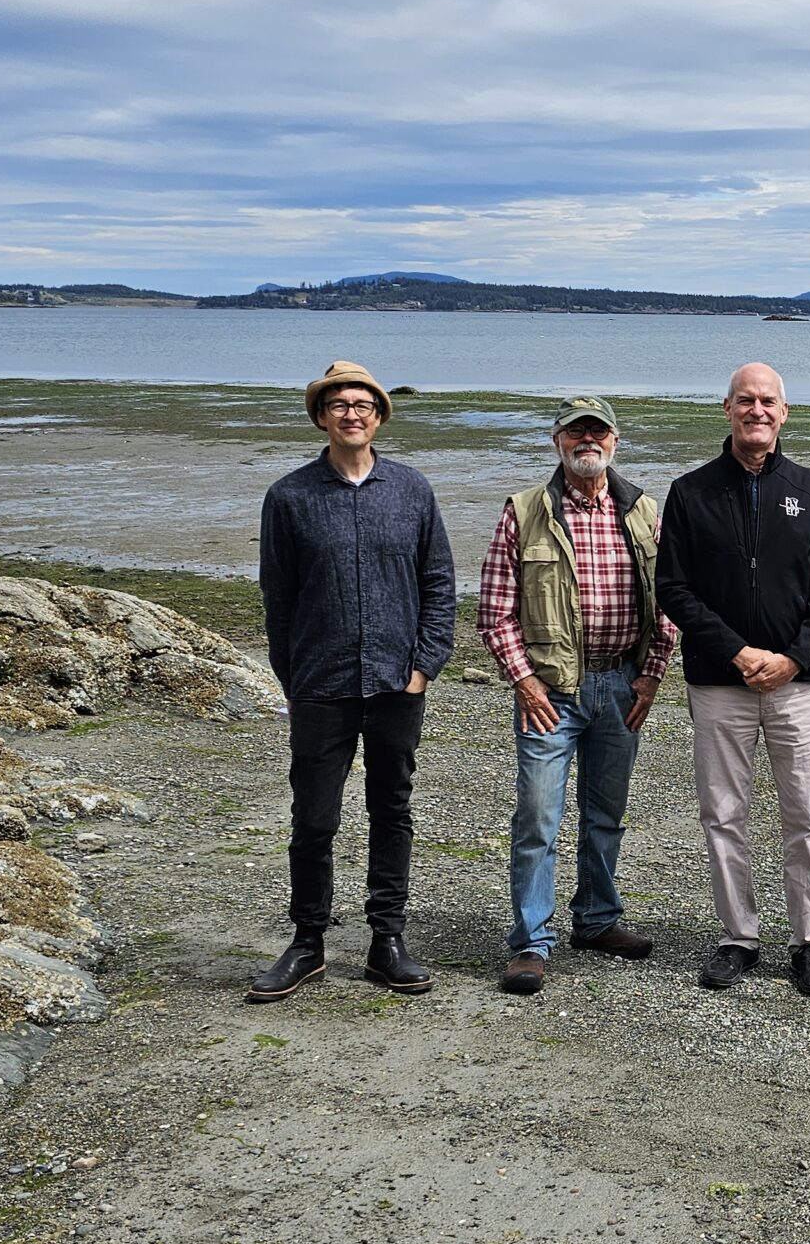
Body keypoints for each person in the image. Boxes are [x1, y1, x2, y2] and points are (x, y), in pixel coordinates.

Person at [250, 361, 456, 1003]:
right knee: (314, 818)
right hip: (320, 684)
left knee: (391, 809)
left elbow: (439, 584)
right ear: (322, 417)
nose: (351, 412)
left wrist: (425, 664)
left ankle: (386, 939)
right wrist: (293, 676)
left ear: (379, 416)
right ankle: (307, 941)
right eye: (338, 404)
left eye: (363, 403)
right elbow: (276, 598)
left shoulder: (412, 490)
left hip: (398, 680)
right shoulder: (290, 496)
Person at [655, 362, 810, 997]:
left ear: (784, 413)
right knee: (724, 814)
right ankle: (738, 936)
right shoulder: (690, 493)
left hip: (798, 683)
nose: (756, 410)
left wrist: (793, 658)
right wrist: (738, 652)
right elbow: (675, 591)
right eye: (745, 400)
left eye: (767, 401)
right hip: (719, 681)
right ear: (727, 410)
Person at [476, 396, 678, 996]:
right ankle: (531, 944)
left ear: (614, 441)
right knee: (538, 817)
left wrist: (652, 675)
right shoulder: (525, 510)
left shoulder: (643, 511)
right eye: (575, 431)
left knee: (606, 814)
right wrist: (524, 680)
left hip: (623, 685)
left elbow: (669, 599)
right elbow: (494, 612)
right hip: (551, 693)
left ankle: (596, 919)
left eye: (598, 431)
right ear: (557, 440)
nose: (587, 440)